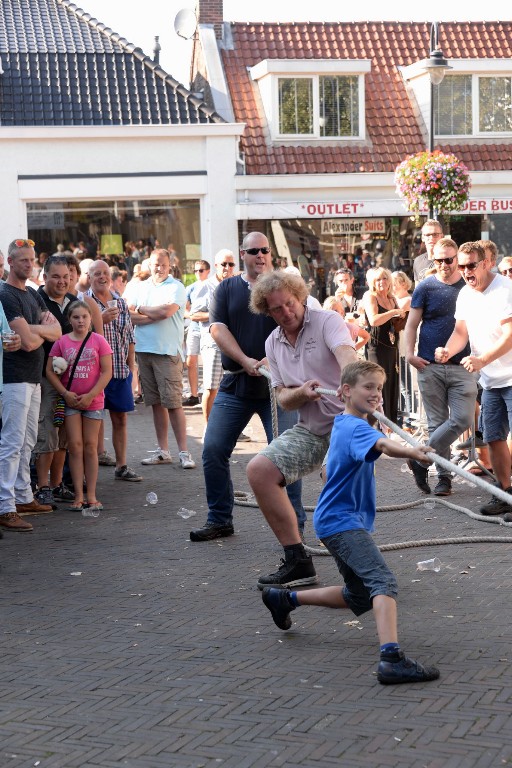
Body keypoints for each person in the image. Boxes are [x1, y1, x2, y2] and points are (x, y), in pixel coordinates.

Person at [261, 360, 440, 685]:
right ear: (345, 391)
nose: (376, 394)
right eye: (368, 387)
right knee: (382, 583)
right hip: (342, 523)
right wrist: (414, 453)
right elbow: (383, 445)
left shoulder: (344, 423)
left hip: (333, 522)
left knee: (358, 595)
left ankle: (283, 599)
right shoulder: (358, 428)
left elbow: (355, 453)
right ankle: (391, 659)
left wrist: (377, 422)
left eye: (379, 388)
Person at [190, 232, 306, 542]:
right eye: (253, 250)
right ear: (243, 254)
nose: (260, 255)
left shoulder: (284, 287)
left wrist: (271, 360)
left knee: (287, 457)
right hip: (235, 383)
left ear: (271, 254)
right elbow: (216, 327)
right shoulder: (226, 288)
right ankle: (219, 519)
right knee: (213, 450)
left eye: (264, 250)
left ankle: (295, 527)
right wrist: (246, 360)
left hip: (278, 388)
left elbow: (299, 324)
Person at [246, 270, 357, 589]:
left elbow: (346, 353)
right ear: (268, 311)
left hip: (346, 424)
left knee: (333, 476)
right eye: (277, 309)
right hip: (310, 430)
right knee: (258, 471)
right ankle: (297, 560)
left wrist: (352, 379)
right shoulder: (273, 343)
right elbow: (283, 398)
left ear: (300, 298)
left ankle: (356, 567)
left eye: (290, 304)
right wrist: (301, 393)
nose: (286, 312)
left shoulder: (327, 322)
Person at [435, 241, 512, 518]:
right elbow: (460, 333)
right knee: (493, 438)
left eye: (471, 265)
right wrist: (448, 350)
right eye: (461, 265)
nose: (465, 271)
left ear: (486, 263)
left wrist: (481, 361)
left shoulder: (505, 289)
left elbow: (509, 335)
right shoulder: (465, 295)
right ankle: (504, 493)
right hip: (491, 381)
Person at [404, 238, 477, 496]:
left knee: (462, 419)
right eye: (439, 260)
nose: (444, 264)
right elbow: (411, 324)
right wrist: (408, 354)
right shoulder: (425, 287)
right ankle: (444, 479)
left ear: (457, 258)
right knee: (437, 424)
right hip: (429, 365)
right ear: (432, 260)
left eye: (449, 259)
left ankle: (419, 458)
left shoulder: (469, 286)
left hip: (463, 365)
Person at [0, 238, 62, 532]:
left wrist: (34, 329)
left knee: (26, 442)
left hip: (32, 377)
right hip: (13, 378)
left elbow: (58, 330)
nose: (29, 264)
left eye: (31, 259)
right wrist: (41, 332)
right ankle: (5, 505)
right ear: (10, 262)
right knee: (12, 443)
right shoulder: (6, 294)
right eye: (23, 260)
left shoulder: (33, 295)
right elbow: (25, 342)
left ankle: (23, 496)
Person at [127, 248, 196, 469]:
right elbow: (128, 315)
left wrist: (141, 310)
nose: (159, 267)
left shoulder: (176, 287)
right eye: (156, 263)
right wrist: (151, 315)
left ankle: (184, 452)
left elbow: (167, 312)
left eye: (163, 264)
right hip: (144, 350)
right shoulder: (140, 286)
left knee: (174, 403)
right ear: (149, 264)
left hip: (167, 352)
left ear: (170, 265)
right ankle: (163, 451)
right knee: (155, 403)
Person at [46, 300, 113, 513]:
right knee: (74, 447)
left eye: (84, 317)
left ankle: (92, 495)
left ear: (91, 319)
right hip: (71, 401)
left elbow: (106, 372)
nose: (80, 321)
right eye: (76, 317)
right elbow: (49, 370)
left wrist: (91, 394)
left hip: (93, 401)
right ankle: (78, 495)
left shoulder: (99, 341)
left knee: (90, 447)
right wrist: (65, 393)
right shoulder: (62, 342)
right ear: (69, 320)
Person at [87, 260, 142, 482]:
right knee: (94, 418)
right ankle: (94, 463)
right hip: (94, 371)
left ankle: (121, 465)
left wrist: (131, 367)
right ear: (89, 277)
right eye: (97, 273)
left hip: (118, 370)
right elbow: (77, 331)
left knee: (120, 418)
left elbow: (129, 337)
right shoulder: (84, 301)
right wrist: (99, 319)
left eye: (105, 273)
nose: (102, 277)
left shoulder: (119, 301)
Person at [33, 255, 77, 506]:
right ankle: (42, 486)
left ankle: (57, 484)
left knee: (64, 435)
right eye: (56, 276)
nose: (62, 281)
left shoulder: (74, 302)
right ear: (45, 277)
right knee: (47, 432)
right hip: (45, 379)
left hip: (73, 380)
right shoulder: (35, 300)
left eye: (66, 276)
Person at [362, 267, 406, 424]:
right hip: (376, 347)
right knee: (379, 384)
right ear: (373, 282)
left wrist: (400, 315)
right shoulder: (370, 296)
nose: (382, 282)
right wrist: (394, 312)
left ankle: (389, 424)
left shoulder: (392, 298)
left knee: (392, 383)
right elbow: (373, 320)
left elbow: (396, 320)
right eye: (378, 279)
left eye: (385, 278)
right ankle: (376, 424)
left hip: (392, 347)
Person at [198, 249, 236, 425]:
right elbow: (193, 314)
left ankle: (228, 427)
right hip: (213, 344)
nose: (227, 268)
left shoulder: (236, 285)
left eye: (231, 264)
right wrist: (218, 315)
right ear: (215, 266)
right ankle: (208, 428)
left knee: (230, 388)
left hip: (234, 344)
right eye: (223, 264)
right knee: (211, 388)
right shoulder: (207, 285)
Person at [183, 259, 211, 407]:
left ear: (207, 271)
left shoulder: (212, 285)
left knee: (208, 361)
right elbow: (184, 308)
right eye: (195, 270)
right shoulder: (191, 288)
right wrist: (191, 316)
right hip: (194, 327)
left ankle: (208, 392)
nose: (198, 273)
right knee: (190, 360)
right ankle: (194, 394)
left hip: (208, 328)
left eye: (201, 270)